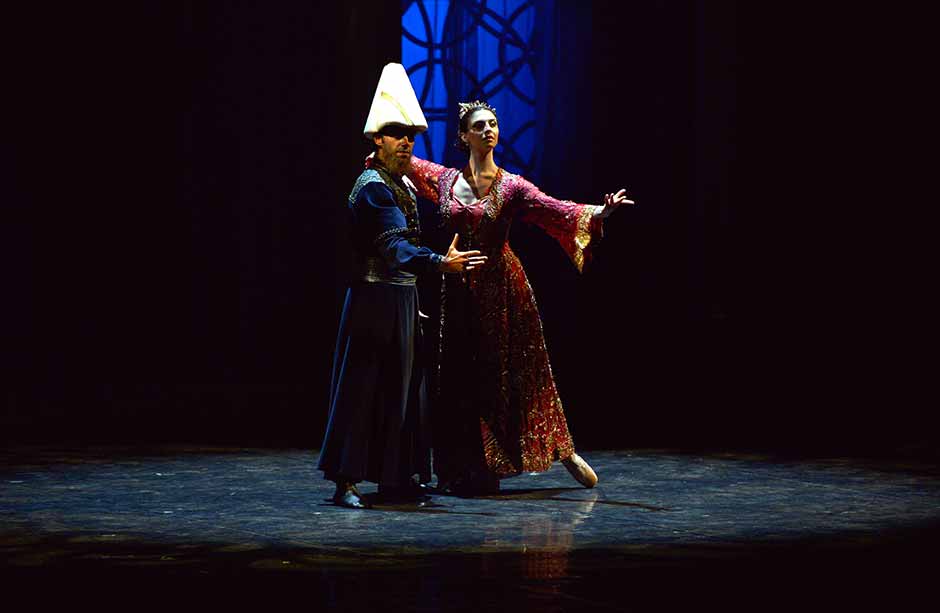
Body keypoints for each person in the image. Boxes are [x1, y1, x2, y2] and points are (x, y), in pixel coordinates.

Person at [407, 100, 633, 494]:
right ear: (463, 136)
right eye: (480, 125)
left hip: (503, 290)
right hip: (456, 291)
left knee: (511, 375)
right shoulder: (443, 180)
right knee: (456, 377)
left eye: (493, 124)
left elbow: (553, 210)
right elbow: (405, 163)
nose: (488, 130)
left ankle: (555, 452)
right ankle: (456, 468)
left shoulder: (511, 186)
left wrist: (599, 213)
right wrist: (380, 151)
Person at [317, 65, 486, 509]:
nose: (406, 142)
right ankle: (345, 481)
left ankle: (397, 477)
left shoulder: (403, 182)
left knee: (404, 389)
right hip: (374, 300)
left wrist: (416, 289)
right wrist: (438, 263)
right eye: (396, 134)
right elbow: (395, 246)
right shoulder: (373, 187)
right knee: (363, 386)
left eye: (409, 135)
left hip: (402, 298)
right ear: (378, 139)